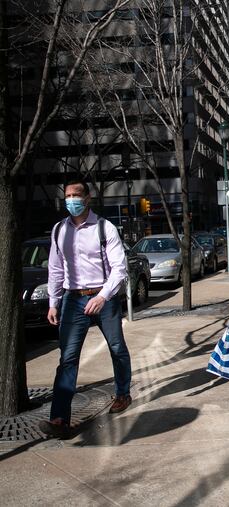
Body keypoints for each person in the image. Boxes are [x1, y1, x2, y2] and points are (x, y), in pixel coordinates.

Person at [40, 178, 133, 438]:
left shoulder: (105, 228)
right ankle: (60, 419)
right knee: (67, 358)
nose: (71, 200)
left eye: (76, 195)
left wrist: (103, 296)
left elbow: (119, 268)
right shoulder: (59, 230)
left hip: (103, 296)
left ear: (87, 198)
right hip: (73, 298)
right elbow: (55, 269)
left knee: (116, 347)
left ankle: (123, 393)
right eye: (67, 195)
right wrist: (53, 301)